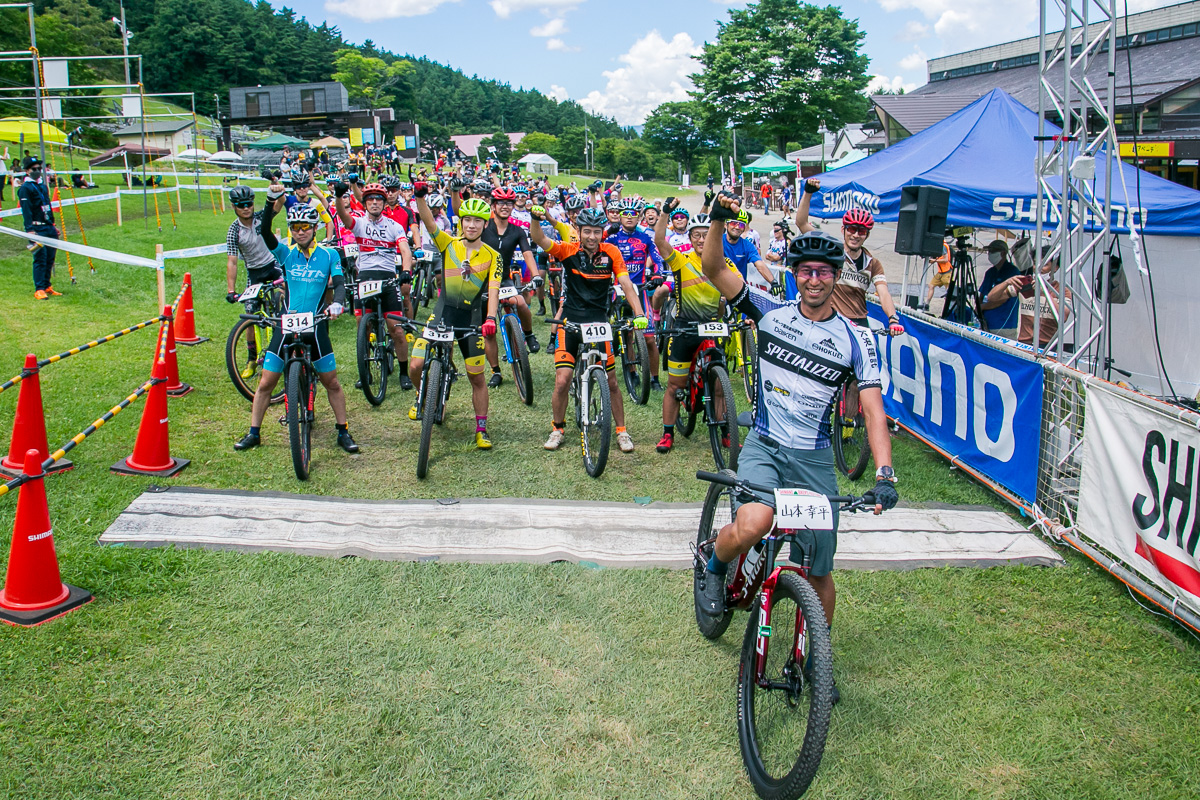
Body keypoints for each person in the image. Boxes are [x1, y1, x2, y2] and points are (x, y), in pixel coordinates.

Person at [696, 192, 899, 705]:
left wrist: (884, 473)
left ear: (836, 278)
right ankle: (714, 567)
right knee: (755, 523)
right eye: (804, 271)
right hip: (766, 442)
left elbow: (873, 410)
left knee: (820, 568)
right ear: (793, 274)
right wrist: (718, 219)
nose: (813, 279)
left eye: (823, 272)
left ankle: (814, 659)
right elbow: (713, 265)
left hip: (811, 459)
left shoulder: (856, 339)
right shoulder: (768, 310)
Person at [233, 196, 358, 455]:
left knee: (331, 382)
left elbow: (340, 284)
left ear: (315, 228)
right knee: (266, 382)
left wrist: (337, 304)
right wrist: (269, 203)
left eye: (305, 227)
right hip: (287, 321)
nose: (299, 232)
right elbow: (265, 232)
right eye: (295, 228)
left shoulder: (329, 254)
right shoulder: (285, 252)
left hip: (315, 323)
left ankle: (343, 430)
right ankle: (254, 432)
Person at [528, 206, 647, 455]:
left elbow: (625, 282)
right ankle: (557, 428)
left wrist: (639, 313)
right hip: (571, 321)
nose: (592, 237)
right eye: (587, 232)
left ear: (602, 232)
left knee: (612, 382)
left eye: (596, 232)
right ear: (579, 232)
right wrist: (535, 219)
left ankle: (621, 431)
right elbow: (539, 239)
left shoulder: (611, 252)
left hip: (599, 322)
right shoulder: (568, 250)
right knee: (562, 381)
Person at [409, 184, 502, 450]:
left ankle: (481, 429)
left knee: (477, 378)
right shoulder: (447, 243)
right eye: (467, 220)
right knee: (415, 366)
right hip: (441, 315)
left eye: (477, 221)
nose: (471, 225)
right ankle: (422, 395)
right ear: (460, 221)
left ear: (485, 225)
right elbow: (427, 220)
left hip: (471, 320)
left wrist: (491, 318)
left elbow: (493, 290)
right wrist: (419, 197)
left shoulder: (493, 257)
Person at [652, 199, 737, 454]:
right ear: (690, 237)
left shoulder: (725, 265)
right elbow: (659, 241)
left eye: (707, 234)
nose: (702, 239)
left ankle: (725, 432)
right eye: (697, 235)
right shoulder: (681, 260)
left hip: (712, 328)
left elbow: (739, 296)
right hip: (685, 328)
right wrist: (665, 213)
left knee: (721, 386)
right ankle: (668, 433)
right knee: (675, 386)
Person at [333, 179, 415, 391]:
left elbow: (405, 251)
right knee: (363, 324)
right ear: (365, 203)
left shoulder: (394, 226)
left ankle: (404, 372)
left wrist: (406, 270)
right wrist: (338, 196)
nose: (375, 203)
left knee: (396, 329)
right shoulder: (359, 222)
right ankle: (365, 371)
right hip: (366, 277)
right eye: (370, 200)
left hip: (387, 276)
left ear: (384, 202)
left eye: (379, 199)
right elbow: (343, 216)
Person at [477, 186, 540, 388]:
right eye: (501, 203)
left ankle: (528, 334)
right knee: (488, 331)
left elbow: (528, 253)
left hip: (502, 278)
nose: (505, 207)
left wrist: (537, 275)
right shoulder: (483, 227)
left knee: (520, 302)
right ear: (493, 206)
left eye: (509, 203)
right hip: (482, 282)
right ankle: (496, 370)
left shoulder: (517, 231)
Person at [607, 197, 667, 391]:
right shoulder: (613, 237)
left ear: (639, 216)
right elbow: (595, 247)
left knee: (650, 338)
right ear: (620, 216)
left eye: (633, 214)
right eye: (625, 214)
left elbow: (657, 258)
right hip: (618, 291)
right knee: (627, 335)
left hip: (640, 290)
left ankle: (655, 378)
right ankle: (631, 371)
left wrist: (658, 273)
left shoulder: (645, 237)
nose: (629, 217)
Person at [18, 156, 61, 300]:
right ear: (27, 171)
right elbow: (27, 210)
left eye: (39, 169)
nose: (37, 171)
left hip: (48, 227)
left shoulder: (42, 186)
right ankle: (39, 288)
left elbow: (48, 206)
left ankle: (47, 285)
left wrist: (53, 225)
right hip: (37, 229)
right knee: (40, 258)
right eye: (34, 169)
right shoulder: (26, 188)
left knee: (50, 258)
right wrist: (29, 230)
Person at [1017, 248, 1071, 348]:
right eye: (1035, 263)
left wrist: (1045, 293)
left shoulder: (1062, 290)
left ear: (1055, 267)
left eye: (1044, 265)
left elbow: (1063, 316)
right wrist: (1006, 283)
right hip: (1023, 343)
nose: (1038, 268)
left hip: (1047, 345)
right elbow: (993, 297)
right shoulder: (1025, 284)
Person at [977, 239, 1022, 339]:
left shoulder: (1012, 272)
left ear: (1003, 253)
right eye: (989, 252)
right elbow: (982, 294)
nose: (990, 254)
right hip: (986, 322)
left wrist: (983, 307)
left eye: (993, 251)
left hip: (1004, 324)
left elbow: (1002, 298)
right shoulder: (990, 272)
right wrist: (979, 311)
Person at [922, 238, 954, 312]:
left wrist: (935, 261)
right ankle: (927, 304)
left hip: (947, 272)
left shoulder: (943, 246)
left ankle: (949, 308)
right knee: (931, 285)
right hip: (940, 272)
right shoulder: (940, 246)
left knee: (948, 291)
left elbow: (946, 260)